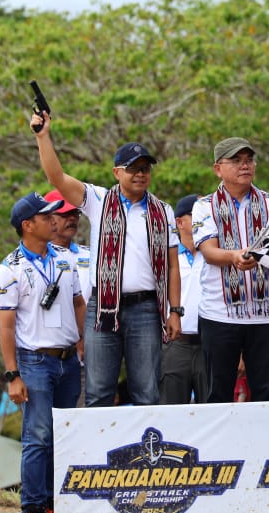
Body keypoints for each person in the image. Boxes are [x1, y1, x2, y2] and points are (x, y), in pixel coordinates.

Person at [32, 112, 181, 407]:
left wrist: (175, 311)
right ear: (117, 172)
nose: (140, 174)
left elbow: (173, 264)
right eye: (133, 168)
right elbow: (56, 178)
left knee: (147, 393)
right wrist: (42, 136)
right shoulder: (98, 200)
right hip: (102, 306)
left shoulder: (163, 210)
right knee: (98, 393)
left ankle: (146, 440)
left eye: (145, 169)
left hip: (146, 308)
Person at [0, 192, 84, 513]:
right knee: (38, 436)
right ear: (28, 225)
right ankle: (32, 509)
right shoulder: (9, 270)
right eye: (46, 217)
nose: (54, 221)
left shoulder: (64, 260)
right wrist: (13, 375)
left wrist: (82, 341)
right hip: (34, 361)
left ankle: (55, 505)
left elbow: (78, 302)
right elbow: (6, 326)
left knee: (63, 435)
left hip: (68, 360)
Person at [192, 138, 269, 403]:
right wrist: (234, 256)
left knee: (265, 392)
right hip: (219, 314)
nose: (245, 166)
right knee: (218, 393)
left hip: (265, 314)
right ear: (218, 168)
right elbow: (209, 252)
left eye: (249, 160)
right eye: (236, 160)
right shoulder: (204, 205)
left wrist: (257, 256)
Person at [159, 194, 209, 405]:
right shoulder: (166, 258)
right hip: (175, 345)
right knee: (172, 412)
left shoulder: (214, 254)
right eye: (197, 214)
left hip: (209, 345)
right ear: (179, 222)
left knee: (213, 413)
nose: (204, 219)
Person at [44, 189, 92, 301]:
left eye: (75, 213)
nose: (72, 218)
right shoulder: (36, 257)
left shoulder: (92, 254)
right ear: (47, 218)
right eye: (65, 214)